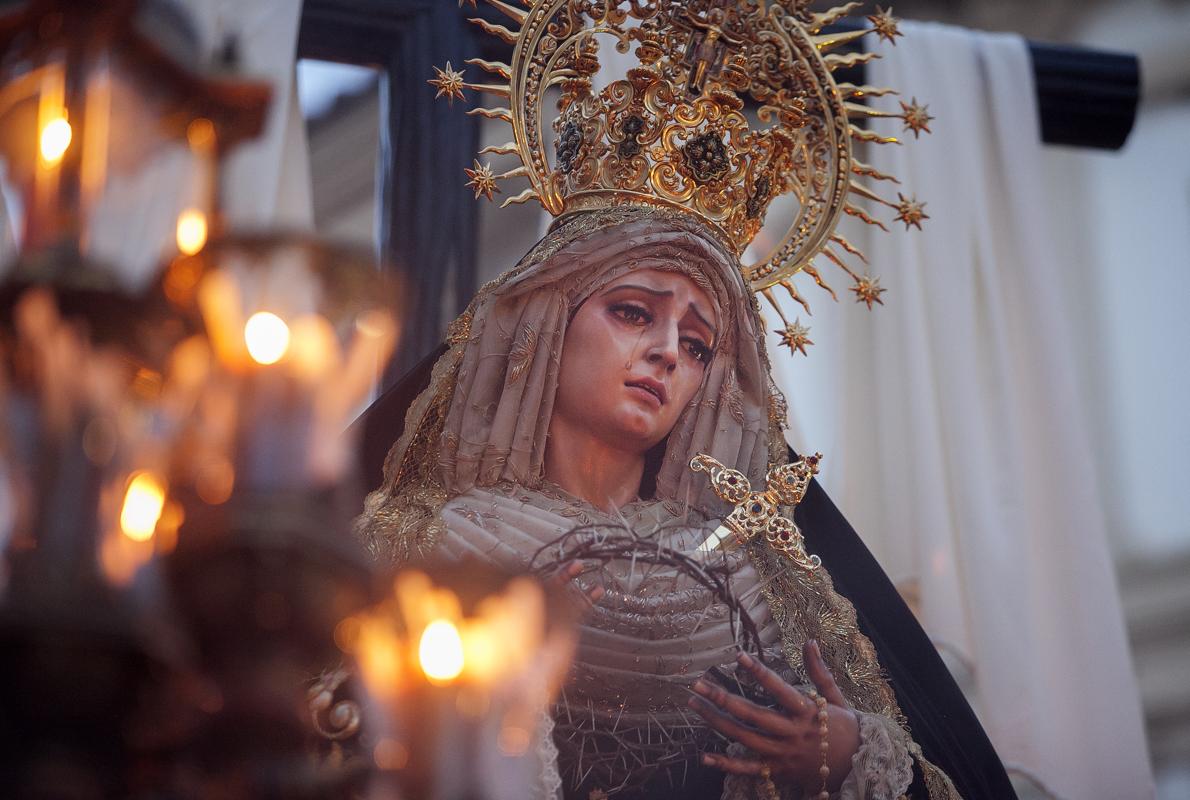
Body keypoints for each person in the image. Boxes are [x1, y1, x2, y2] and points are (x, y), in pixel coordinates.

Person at [354, 206, 1016, 800]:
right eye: (633, 312)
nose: (667, 353)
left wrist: (842, 757)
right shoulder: (434, 557)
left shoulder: (755, 588)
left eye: (698, 346)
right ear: (546, 323)